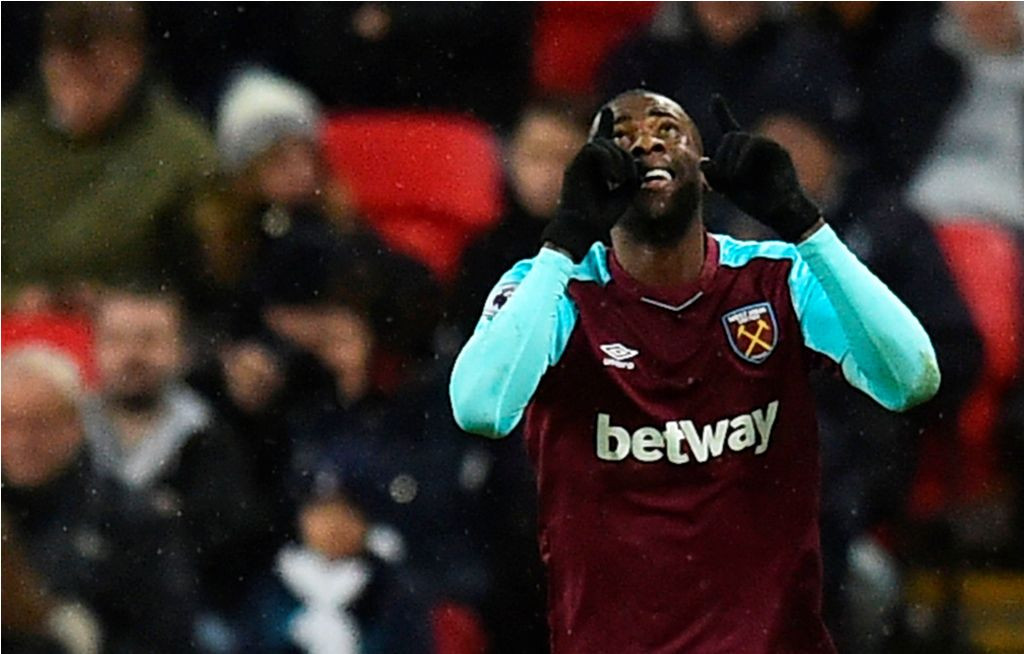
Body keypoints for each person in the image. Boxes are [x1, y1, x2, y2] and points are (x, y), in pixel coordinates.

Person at [449, 90, 940, 652]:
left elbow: (911, 378)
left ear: (705, 172)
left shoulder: (779, 278)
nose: (647, 143)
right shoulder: (556, 288)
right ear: (593, 175)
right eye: (621, 139)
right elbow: (479, 409)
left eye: (667, 130)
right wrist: (565, 239)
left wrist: (804, 224)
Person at [1, 2, 216, 308]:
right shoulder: (7, 142)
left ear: (134, 63)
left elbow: (209, 277)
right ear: (46, 62)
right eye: (68, 77)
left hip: (134, 330)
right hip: (18, 330)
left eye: (100, 79)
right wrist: (14, 297)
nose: (80, 97)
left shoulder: (183, 151)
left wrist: (121, 301)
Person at [81, 286, 266, 625]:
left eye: (149, 339)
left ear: (181, 350)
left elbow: (228, 542)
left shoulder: (211, 437)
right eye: (116, 339)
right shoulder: (66, 435)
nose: (131, 355)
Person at [2, 346, 196, 652]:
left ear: (75, 425)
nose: (20, 441)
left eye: (39, 424)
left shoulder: (130, 517)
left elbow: (164, 633)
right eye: (7, 424)